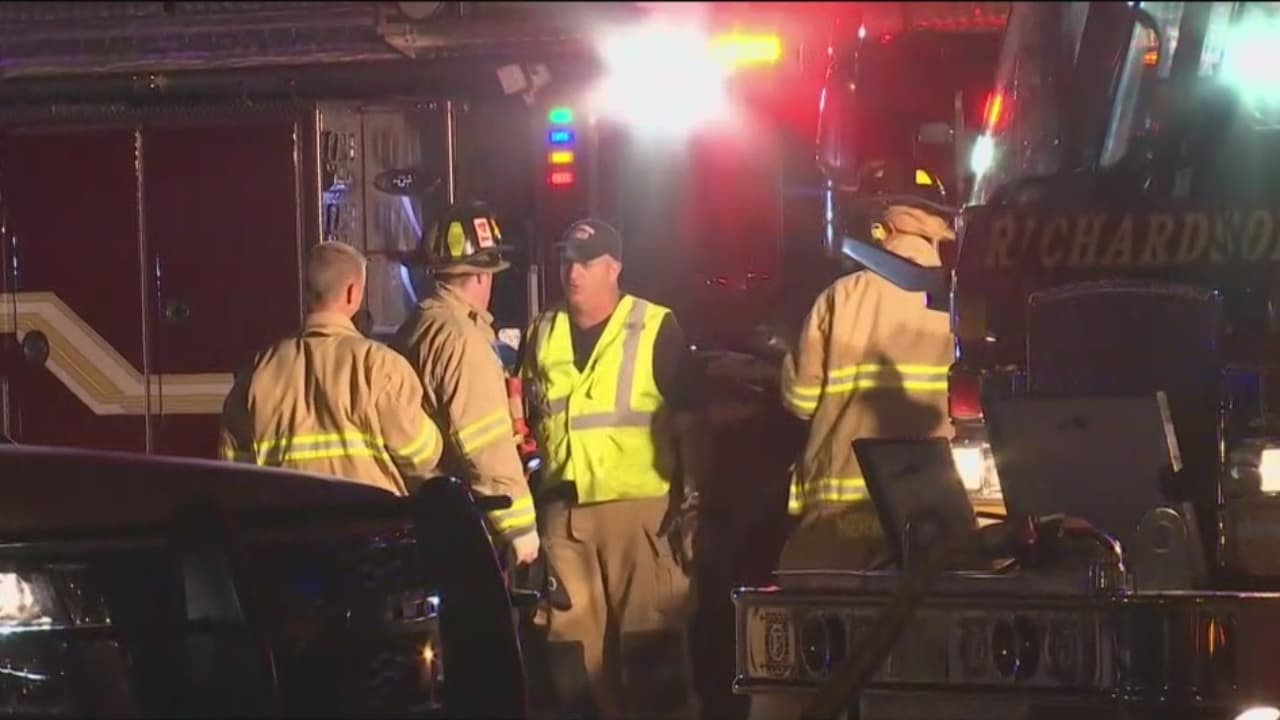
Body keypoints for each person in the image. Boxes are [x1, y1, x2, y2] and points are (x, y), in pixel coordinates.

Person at [748, 202, 955, 720]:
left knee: (801, 663)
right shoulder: (954, 303)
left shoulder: (840, 298)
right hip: (923, 522)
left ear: (882, 233)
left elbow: (798, 401)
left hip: (835, 520)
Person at [519, 218, 708, 720]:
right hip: (564, 514)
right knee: (570, 658)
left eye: (586, 261)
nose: (573, 272)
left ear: (614, 268)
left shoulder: (654, 326)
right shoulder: (542, 331)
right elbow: (528, 415)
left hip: (640, 512)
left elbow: (690, 422)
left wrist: (692, 500)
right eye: (566, 260)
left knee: (651, 651)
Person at [219, 242, 443, 494]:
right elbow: (420, 455)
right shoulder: (380, 365)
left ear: (308, 292)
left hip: (290, 525)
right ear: (351, 293)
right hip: (368, 524)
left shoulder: (260, 369)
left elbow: (234, 463)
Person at [391, 201, 540, 565]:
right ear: (481, 275)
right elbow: (484, 443)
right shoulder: (463, 339)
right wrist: (520, 531)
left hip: (423, 513)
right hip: (460, 520)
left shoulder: (419, 325)